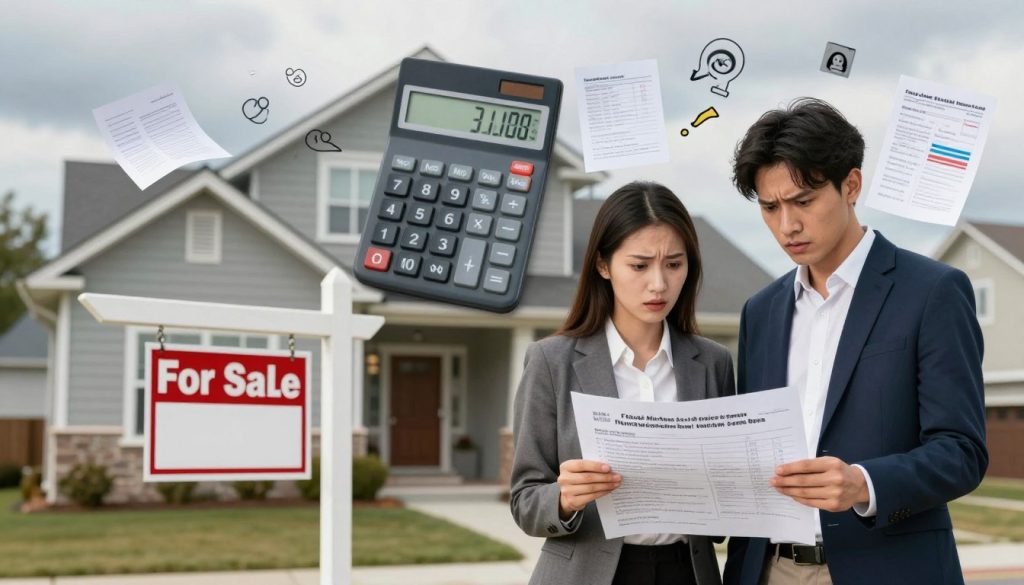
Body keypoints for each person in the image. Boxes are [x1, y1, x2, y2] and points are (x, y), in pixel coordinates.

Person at [721, 98, 987, 585]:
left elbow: (962, 451)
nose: (788, 225)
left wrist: (863, 483)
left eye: (803, 201)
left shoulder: (932, 291)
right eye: (770, 206)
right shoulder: (759, 312)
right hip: (768, 570)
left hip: (889, 569)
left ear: (851, 185)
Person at [510, 181, 735, 585]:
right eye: (639, 265)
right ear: (603, 265)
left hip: (686, 572)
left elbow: (722, 516)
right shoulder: (551, 361)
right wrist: (564, 499)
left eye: (674, 264)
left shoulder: (713, 363)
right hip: (587, 573)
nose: (659, 284)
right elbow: (525, 500)